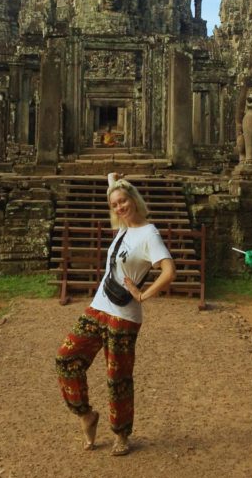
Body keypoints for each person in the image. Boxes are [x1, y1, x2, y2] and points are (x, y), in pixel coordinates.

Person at [55, 172, 176, 456]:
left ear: (134, 200)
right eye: (115, 204)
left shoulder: (149, 233)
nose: (120, 207)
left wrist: (144, 295)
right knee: (66, 359)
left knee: (117, 377)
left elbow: (169, 271)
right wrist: (112, 179)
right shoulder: (122, 226)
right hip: (98, 307)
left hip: (125, 316)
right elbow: (115, 191)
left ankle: (121, 434)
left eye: (124, 201)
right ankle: (86, 414)